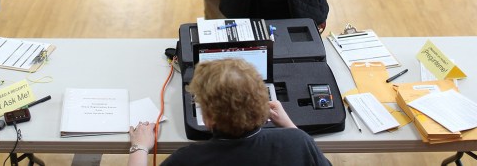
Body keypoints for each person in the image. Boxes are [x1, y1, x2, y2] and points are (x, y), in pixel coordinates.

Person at [127, 59, 332, 166]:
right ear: (263, 102)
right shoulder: (297, 142)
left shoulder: (187, 160)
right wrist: (291, 128)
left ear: (208, 118)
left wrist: (140, 146)